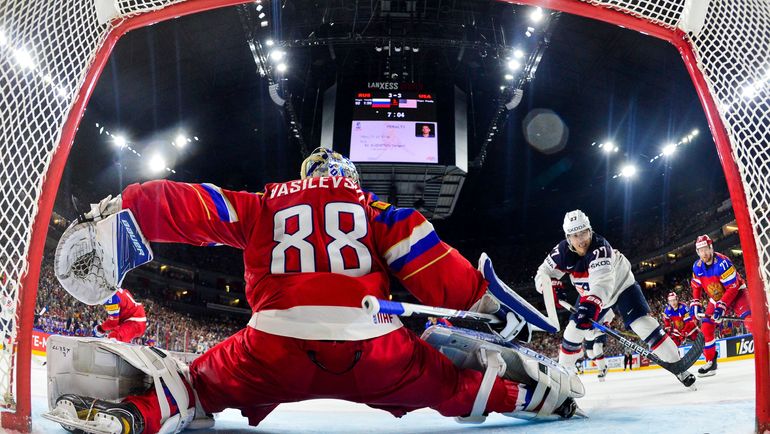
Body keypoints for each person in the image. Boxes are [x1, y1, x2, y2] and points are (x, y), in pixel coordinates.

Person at [52, 147, 581, 434]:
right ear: (348, 176)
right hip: (377, 347)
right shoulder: (375, 210)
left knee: (197, 383)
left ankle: (142, 414)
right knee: (452, 386)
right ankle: (537, 396)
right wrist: (485, 308)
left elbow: (194, 206)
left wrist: (127, 206)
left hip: (272, 346)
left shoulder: (265, 205)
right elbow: (427, 258)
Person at [534, 210, 695, 387]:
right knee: (572, 331)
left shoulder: (600, 247)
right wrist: (549, 287)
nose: (581, 240)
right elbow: (542, 274)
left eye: (584, 233)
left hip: (621, 286)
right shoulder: (561, 252)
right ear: (568, 237)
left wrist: (590, 306)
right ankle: (563, 379)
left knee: (644, 325)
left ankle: (680, 369)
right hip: (591, 295)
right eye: (575, 235)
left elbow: (603, 284)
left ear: (590, 230)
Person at [690, 234, 753, 377]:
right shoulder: (697, 266)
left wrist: (721, 306)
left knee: (750, 321)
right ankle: (711, 362)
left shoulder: (723, 263)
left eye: (706, 249)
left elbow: (732, 287)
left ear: (711, 248)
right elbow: (696, 286)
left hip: (737, 294)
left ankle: (765, 350)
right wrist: (696, 303)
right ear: (697, 252)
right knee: (706, 328)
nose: (704, 253)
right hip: (717, 298)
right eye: (701, 250)